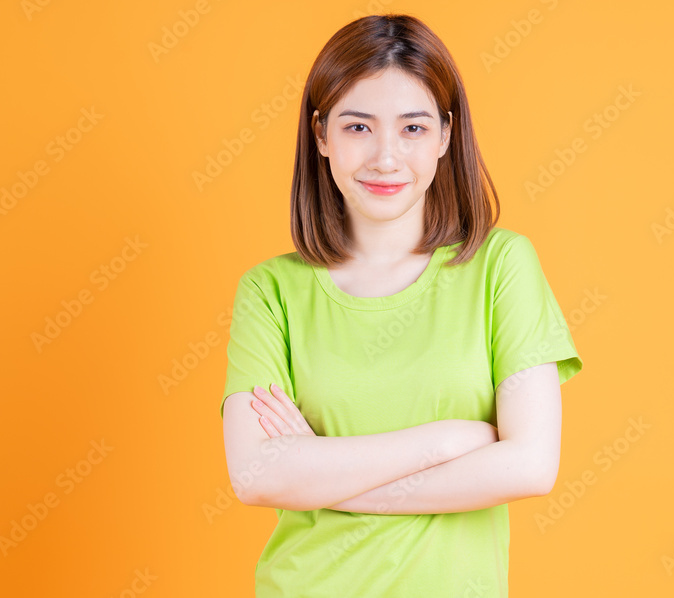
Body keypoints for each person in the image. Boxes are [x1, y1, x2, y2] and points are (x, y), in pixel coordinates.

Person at [219, 13, 582, 598]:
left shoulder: (500, 267)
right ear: (320, 136)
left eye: (412, 129)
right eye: (358, 127)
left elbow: (531, 465)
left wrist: (320, 470)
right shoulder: (270, 292)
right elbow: (255, 474)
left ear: (444, 135)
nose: (386, 158)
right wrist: (446, 441)